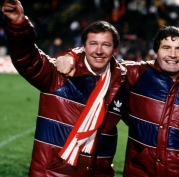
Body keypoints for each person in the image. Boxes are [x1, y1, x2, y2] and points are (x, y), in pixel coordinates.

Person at [57, 26, 179, 176]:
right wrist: (71, 55)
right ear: (156, 51)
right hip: (140, 172)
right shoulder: (136, 74)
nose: (172, 54)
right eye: (166, 48)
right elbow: (100, 58)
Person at [2, 0, 130, 176]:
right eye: (93, 44)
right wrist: (19, 23)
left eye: (106, 45)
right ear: (83, 47)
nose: (98, 50)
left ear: (115, 49)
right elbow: (27, 58)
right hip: (52, 173)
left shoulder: (122, 84)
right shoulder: (59, 74)